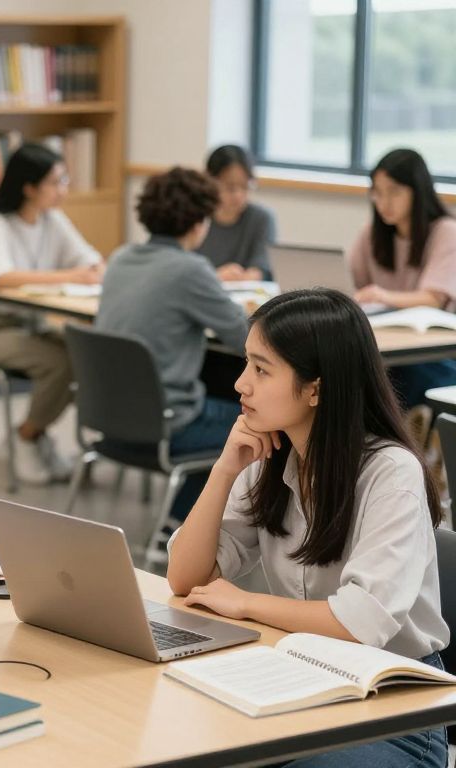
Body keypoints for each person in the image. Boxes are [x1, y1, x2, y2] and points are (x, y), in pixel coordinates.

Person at [167, 288, 447, 768]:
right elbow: (186, 578)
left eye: (261, 369)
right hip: (300, 680)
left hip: (393, 707)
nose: (240, 384)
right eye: (246, 365)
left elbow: (360, 624)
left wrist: (247, 602)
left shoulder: (390, 472)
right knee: (179, 738)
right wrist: (223, 472)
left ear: (315, 388)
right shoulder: (270, 458)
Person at [96, 167, 249, 531]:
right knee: (260, 424)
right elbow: (246, 338)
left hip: (108, 418)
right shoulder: (190, 270)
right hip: (168, 424)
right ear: (199, 222)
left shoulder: (120, 257)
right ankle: (183, 519)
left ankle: (180, 515)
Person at [0, 143, 103, 484]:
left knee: (86, 357)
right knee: (60, 363)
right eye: (55, 182)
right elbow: (1, 278)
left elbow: (88, 258)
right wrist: (70, 276)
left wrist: (91, 267)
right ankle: (27, 436)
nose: (63, 190)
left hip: (33, 324)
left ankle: (36, 434)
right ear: (29, 187)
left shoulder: (52, 220)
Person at [346, 148, 456, 408]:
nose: (384, 202)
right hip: (386, 345)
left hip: (433, 352)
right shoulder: (373, 233)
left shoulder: (445, 232)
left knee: (390, 380)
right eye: (377, 192)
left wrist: (383, 295)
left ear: (417, 192)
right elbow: (351, 281)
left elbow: (434, 299)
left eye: (394, 192)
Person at [196, 145, 277, 281]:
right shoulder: (195, 216)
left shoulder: (261, 218)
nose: (239, 195)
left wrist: (246, 276)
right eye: (230, 187)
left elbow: (262, 268)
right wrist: (216, 277)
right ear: (209, 181)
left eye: (245, 186)